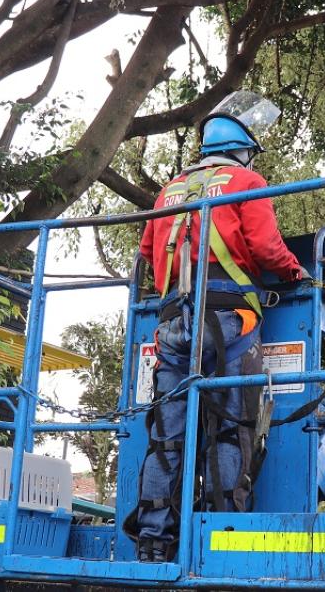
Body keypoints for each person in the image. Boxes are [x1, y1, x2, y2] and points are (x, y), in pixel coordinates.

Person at [125, 91, 308, 563]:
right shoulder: (247, 181)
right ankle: (222, 535)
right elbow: (268, 251)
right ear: (244, 145)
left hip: (171, 329)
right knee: (230, 428)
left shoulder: (169, 191)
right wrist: (297, 274)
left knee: (166, 435)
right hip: (230, 325)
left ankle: (153, 540)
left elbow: (148, 254)